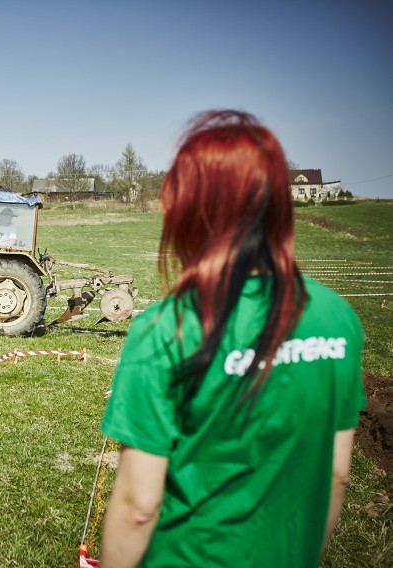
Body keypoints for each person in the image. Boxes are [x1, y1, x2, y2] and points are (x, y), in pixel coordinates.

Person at [99, 110, 365, 567]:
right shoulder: (338, 319)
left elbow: (139, 507)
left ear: (190, 210)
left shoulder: (166, 330)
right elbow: (337, 475)